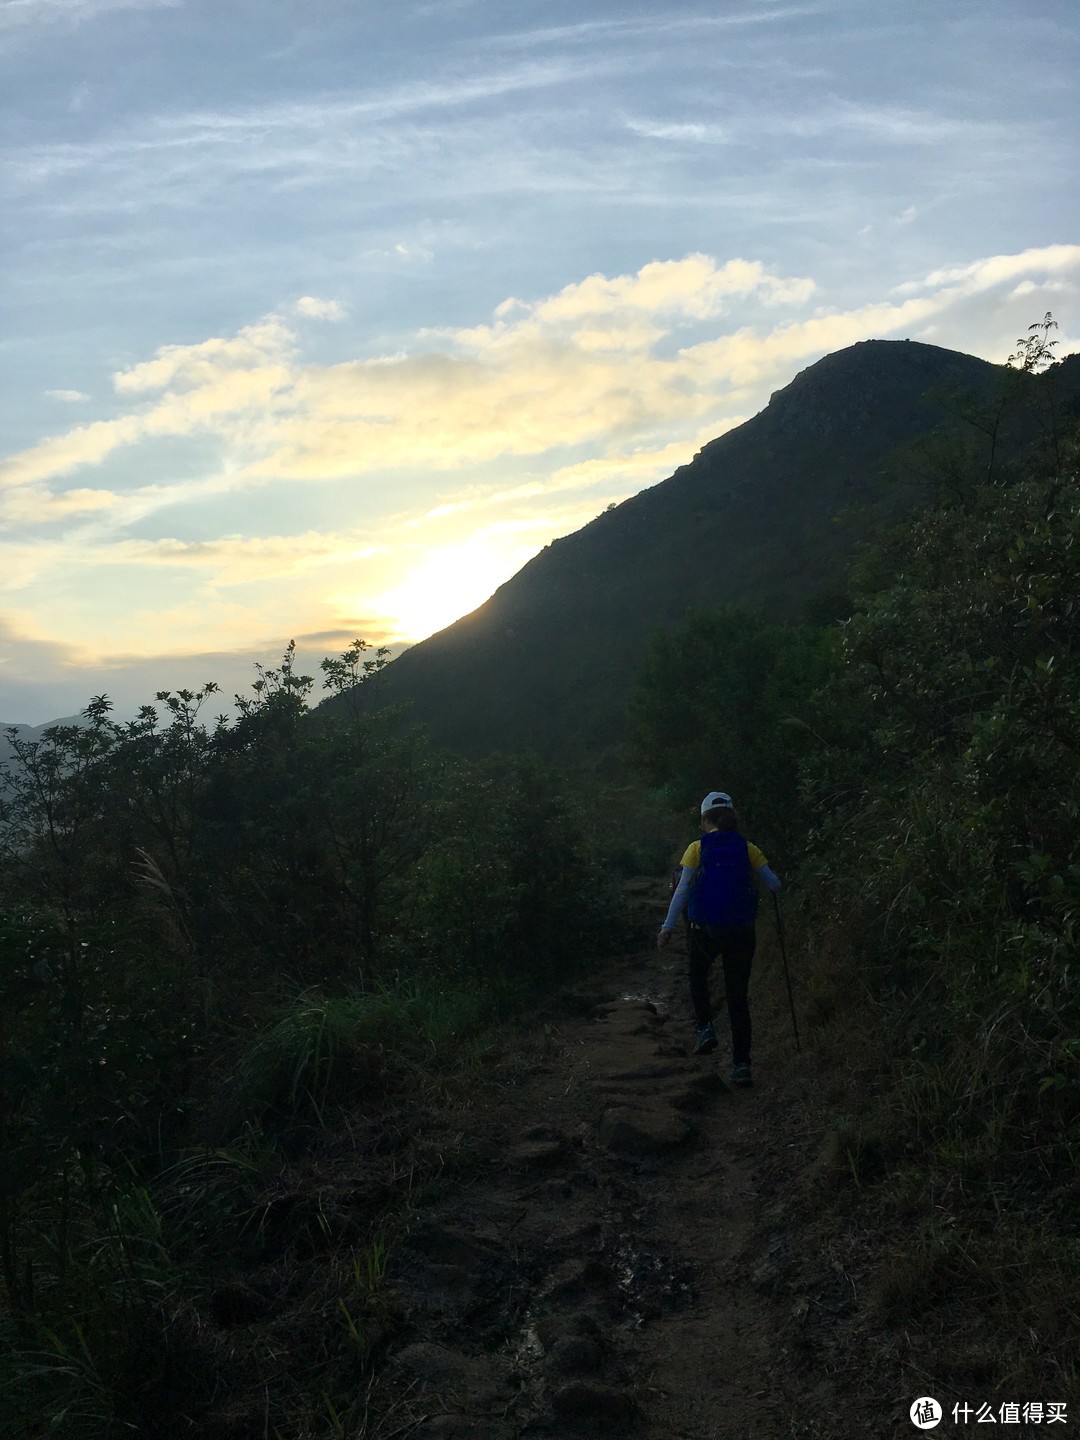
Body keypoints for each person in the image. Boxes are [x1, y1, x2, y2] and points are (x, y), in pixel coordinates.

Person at [658, 791, 781, 1086]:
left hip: (705, 931)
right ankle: (741, 1066)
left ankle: (705, 1029)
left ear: (704, 819)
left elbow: (683, 891)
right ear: (731, 817)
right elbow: (774, 883)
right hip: (741, 931)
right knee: (737, 996)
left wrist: (667, 927)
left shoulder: (696, 849)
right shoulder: (748, 848)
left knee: (697, 975)